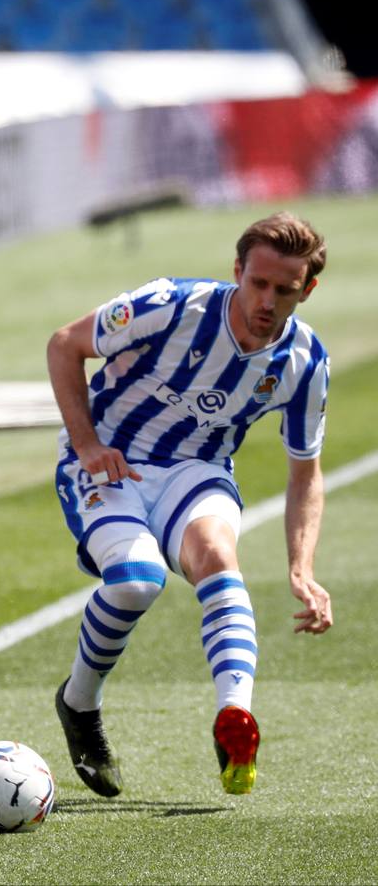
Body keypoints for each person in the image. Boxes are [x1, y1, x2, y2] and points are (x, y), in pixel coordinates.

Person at [46, 212, 332, 798]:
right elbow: (64, 345)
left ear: (308, 290)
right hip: (111, 461)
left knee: (217, 558)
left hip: (196, 472)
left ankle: (235, 721)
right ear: (237, 271)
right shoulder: (172, 306)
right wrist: (87, 442)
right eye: (258, 283)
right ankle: (79, 703)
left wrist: (302, 569)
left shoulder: (305, 363)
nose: (268, 301)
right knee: (137, 583)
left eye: (285, 290)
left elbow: (306, 473)